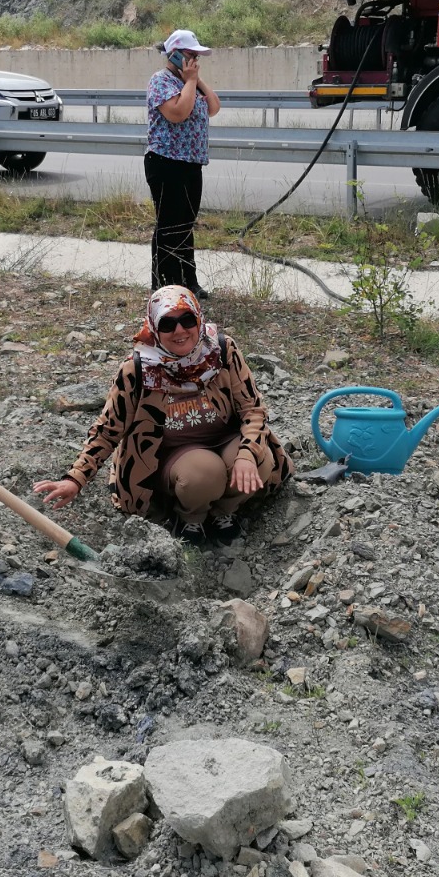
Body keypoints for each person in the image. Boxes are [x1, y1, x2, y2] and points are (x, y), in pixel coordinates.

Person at [33, 285, 288, 545]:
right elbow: (109, 429)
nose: (179, 330)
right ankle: (190, 518)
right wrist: (75, 479)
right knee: (203, 474)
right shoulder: (138, 369)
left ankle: (223, 512)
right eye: (167, 324)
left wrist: (246, 455)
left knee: (258, 456)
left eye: (187, 319)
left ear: (198, 319)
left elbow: (252, 409)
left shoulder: (222, 351)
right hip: (173, 457)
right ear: (154, 328)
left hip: (226, 439)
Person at [144, 29, 220, 298]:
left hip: (190, 164)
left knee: (186, 224)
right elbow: (178, 113)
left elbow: (213, 106)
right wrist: (189, 82)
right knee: (169, 224)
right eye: (190, 55)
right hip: (165, 163)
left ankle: (189, 281)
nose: (195, 61)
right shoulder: (160, 81)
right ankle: (164, 284)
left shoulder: (190, 82)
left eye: (197, 56)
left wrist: (196, 80)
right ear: (174, 54)